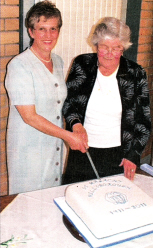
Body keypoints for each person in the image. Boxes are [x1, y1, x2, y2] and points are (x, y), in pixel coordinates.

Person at [5, 0, 87, 195]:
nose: (48, 35)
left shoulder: (57, 61)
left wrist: (76, 126)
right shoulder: (19, 66)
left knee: (52, 201)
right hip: (29, 150)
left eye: (53, 29)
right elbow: (29, 116)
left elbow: (61, 103)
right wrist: (68, 137)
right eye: (42, 29)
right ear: (31, 31)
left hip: (53, 148)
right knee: (29, 206)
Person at [62, 17, 151, 185]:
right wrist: (76, 125)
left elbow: (143, 120)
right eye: (104, 47)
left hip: (119, 156)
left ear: (123, 49)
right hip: (83, 151)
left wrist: (133, 155)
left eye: (116, 48)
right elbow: (69, 103)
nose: (110, 53)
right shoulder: (82, 64)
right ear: (96, 46)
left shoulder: (136, 74)